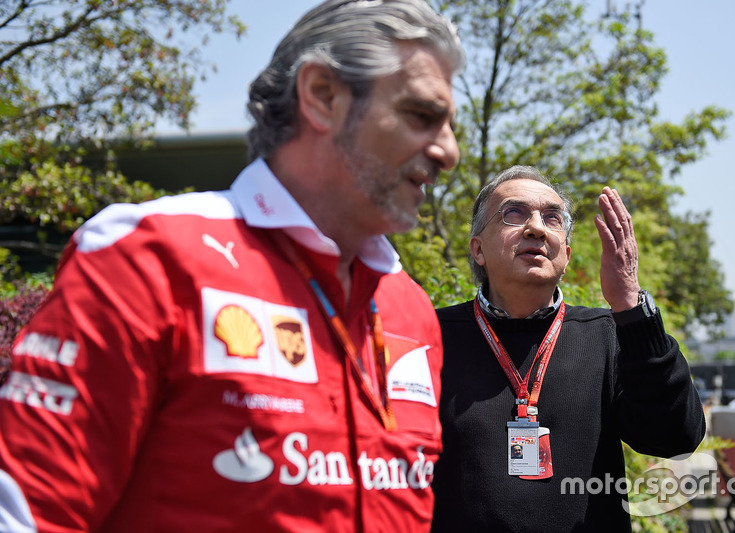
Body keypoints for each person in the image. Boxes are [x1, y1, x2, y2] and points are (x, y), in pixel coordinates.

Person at [0, 1, 464, 531]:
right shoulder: (148, 255)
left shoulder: (410, 307)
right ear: (323, 96)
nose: (448, 151)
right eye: (422, 116)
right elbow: (27, 516)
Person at [431, 166, 706, 531]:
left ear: (567, 255)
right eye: (514, 213)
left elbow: (675, 438)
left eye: (552, 217)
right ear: (477, 250)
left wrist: (630, 307)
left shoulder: (607, 334)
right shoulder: (432, 334)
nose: (536, 227)